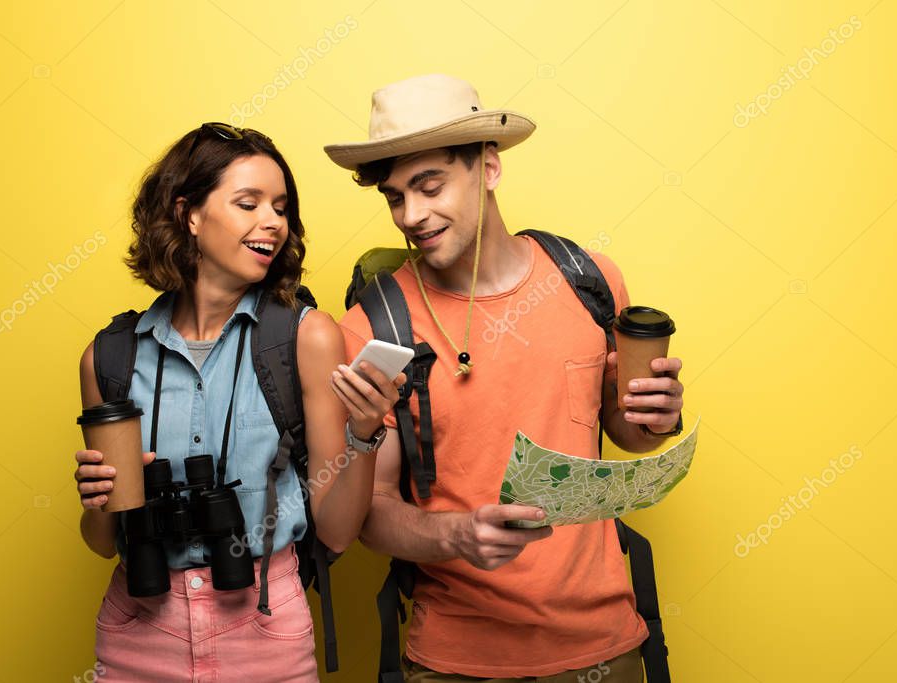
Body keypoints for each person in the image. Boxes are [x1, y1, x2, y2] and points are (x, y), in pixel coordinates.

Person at [327, 75, 685, 681]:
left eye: (430, 185)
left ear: (488, 168)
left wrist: (657, 416)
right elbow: (371, 514)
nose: (411, 215)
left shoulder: (588, 279)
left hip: (606, 644)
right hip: (455, 660)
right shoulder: (371, 330)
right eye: (394, 197)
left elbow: (629, 435)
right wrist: (456, 536)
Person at [73, 123, 403, 681]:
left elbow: (338, 531)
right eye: (248, 203)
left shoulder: (306, 337)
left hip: (264, 622)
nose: (272, 222)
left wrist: (364, 435)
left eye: (280, 207)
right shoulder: (109, 356)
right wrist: (96, 501)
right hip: (139, 625)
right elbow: (103, 544)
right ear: (189, 215)